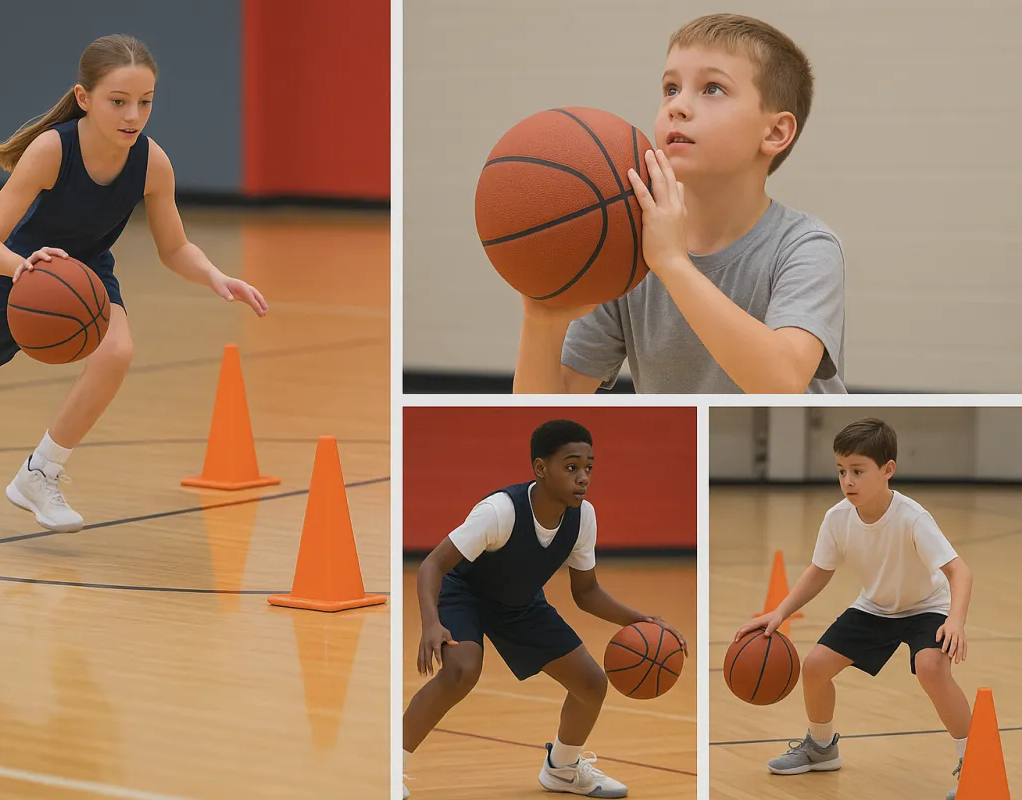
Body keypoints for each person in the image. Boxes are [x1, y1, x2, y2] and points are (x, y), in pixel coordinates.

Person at [0, 34, 267, 535]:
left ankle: (40, 472)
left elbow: (174, 248)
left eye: (145, 102)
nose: (133, 115)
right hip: (12, 273)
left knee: (117, 351)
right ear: (84, 99)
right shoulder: (51, 149)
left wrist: (215, 275)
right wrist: (21, 266)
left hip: (84, 275)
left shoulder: (152, 162)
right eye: (118, 101)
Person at [513, 13, 845, 394]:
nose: (678, 106)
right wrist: (539, 322)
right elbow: (549, 414)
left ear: (774, 132)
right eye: (671, 89)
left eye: (713, 89)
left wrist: (672, 263)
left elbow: (781, 383)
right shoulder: (625, 250)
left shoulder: (806, 246)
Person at [401, 419, 687, 798]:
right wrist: (431, 624)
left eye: (588, 468)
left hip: (520, 604)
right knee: (461, 671)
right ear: (540, 468)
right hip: (463, 594)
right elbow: (432, 566)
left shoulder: (583, 517)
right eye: (571, 467)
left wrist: (641, 620)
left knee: (591, 684)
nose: (583, 478)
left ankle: (563, 769)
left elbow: (586, 592)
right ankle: (394, 766)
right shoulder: (499, 510)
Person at [735, 418, 972, 799]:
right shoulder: (837, 518)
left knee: (931, 668)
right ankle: (822, 747)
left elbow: (959, 571)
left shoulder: (913, 518)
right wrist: (779, 613)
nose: (848, 481)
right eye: (842, 471)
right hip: (875, 607)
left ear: (887, 470)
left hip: (928, 606)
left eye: (858, 471)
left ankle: (973, 762)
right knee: (814, 667)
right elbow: (819, 572)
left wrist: (956, 621)